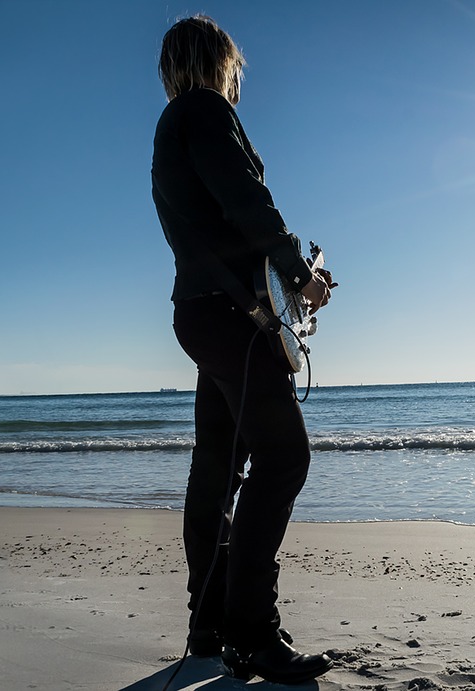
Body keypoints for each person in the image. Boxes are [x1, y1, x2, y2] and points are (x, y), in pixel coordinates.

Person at [150, 14, 335, 685]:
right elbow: (249, 201)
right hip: (230, 317)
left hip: (201, 313)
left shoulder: (172, 126)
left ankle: (209, 621)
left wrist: (291, 275)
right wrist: (299, 273)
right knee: (285, 457)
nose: (236, 82)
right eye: (233, 68)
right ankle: (251, 630)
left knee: (220, 467)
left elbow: (220, 221)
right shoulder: (204, 111)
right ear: (219, 62)